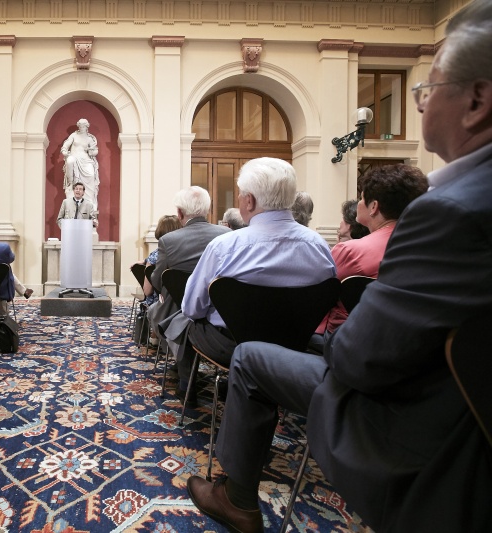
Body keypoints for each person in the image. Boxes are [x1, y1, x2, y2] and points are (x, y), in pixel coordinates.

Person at [186, 2, 492, 531]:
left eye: (427, 88)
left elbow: (360, 358)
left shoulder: (451, 211)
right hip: (455, 407)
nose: (419, 105)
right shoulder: (318, 250)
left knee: (252, 356)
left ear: (476, 100)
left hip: (413, 426)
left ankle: (238, 496)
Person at [179, 158, 335, 405]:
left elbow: (191, 308)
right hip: (294, 347)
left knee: (190, 324)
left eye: (240, 196)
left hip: (231, 346)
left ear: (249, 200)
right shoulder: (319, 247)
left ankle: (189, 396)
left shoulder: (224, 247)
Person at [316, 165, 428, 337]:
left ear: (374, 206)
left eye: (361, 198)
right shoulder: (428, 247)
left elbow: (317, 295)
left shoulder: (349, 251)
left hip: (349, 337)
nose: (359, 203)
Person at [146, 186, 230, 384]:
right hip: (219, 309)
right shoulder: (227, 235)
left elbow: (158, 281)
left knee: (159, 311)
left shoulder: (168, 240)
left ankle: (184, 376)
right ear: (207, 210)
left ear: (180, 213)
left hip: (178, 308)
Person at [141, 215, 183, 308]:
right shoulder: (185, 254)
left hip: (160, 307)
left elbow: (147, 291)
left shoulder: (153, 257)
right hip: (183, 304)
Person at [60, 118, 100, 210]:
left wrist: (92, 152)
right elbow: (66, 145)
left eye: (83, 126)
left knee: (91, 175)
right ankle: (70, 184)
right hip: (74, 158)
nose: (81, 127)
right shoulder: (74, 135)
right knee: (70, 160)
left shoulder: (90, 139)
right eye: (80, 126)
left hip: (86, 161)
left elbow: (95, 151)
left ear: (87, 127)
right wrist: (65, 151)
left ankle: (89, 203)